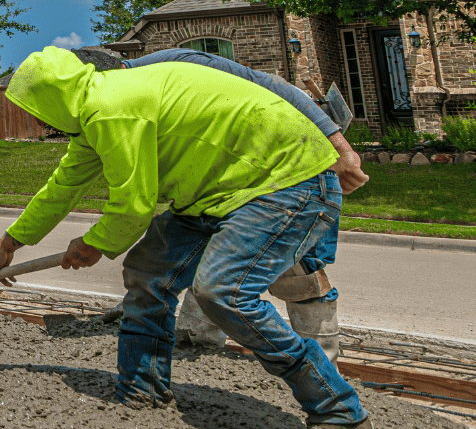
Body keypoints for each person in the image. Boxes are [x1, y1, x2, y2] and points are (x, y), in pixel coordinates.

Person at [0, 47, 373, 429]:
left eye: (35, 110)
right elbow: (61, 188)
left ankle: (341, 416)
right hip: (217, 191)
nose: (38, 121)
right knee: (149, 274)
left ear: (51, 100)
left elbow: (132, 208)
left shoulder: (113, 108)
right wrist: (11, 242)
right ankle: (141, 392)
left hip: (286, 181)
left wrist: (93, 243)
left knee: (225, 292)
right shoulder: (95, 111)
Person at [75, 47, 367, 358]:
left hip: (291, 153)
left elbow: (273, 86)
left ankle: (323, 358)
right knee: (210, 252)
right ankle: (195, 342)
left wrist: (340, 146)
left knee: (299, 269)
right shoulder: (126, 104)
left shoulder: (180, 65)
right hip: (228, 170)